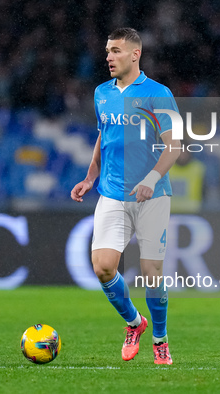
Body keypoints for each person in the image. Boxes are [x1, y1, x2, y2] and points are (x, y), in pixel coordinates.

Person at [71, 28, 181, 365]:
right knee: (103, 268)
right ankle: (135, 323)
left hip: (153, 196)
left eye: (116, 51)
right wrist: (91, 176)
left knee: (151, 273)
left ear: (135, 54)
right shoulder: (102, 93)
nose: (108, 57)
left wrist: (150, 178)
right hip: (113, 194)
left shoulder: (158, 93)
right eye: (107, 51)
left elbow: (174, 145)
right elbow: (104, 136)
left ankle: (160, 340)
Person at [168, 149, 206, 213]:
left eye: (184, 152)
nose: (182, 155)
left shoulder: (198, 168)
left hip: (193, 210)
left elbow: (204, 189)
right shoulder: (166, 167)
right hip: (170, 210)